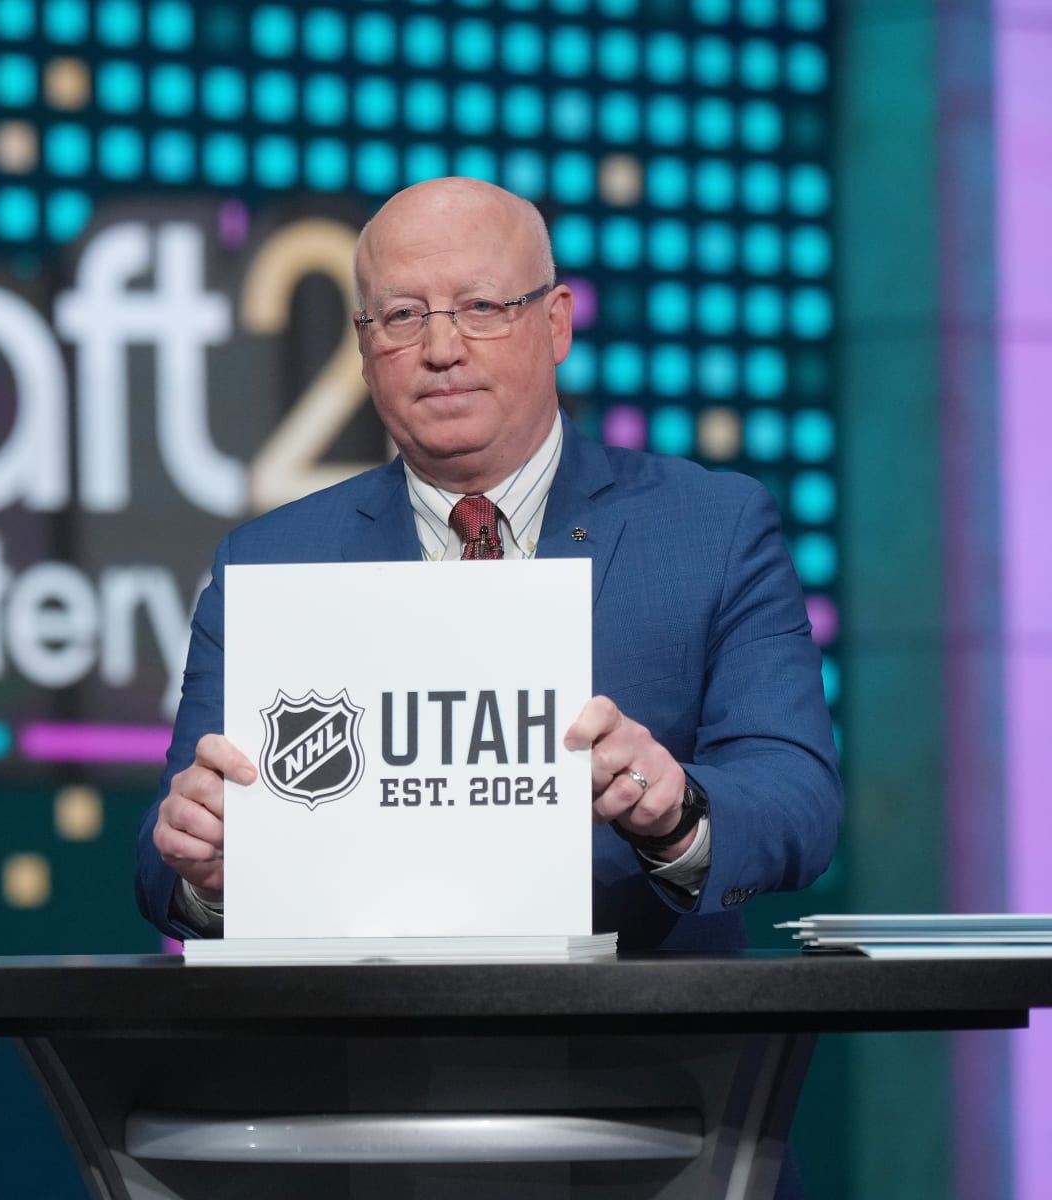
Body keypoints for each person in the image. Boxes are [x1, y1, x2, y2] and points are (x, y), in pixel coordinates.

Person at [135, 177, 841, 950]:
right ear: (365, 349)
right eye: (403, 316)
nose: (442, 350)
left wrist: (676, 811)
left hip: (638, 1046)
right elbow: (164, 860)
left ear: (557, 323)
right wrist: (204, 869)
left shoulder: (713, 530)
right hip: (352, 1049)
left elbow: (797, 799)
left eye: (481, 307)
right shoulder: (266, 564)